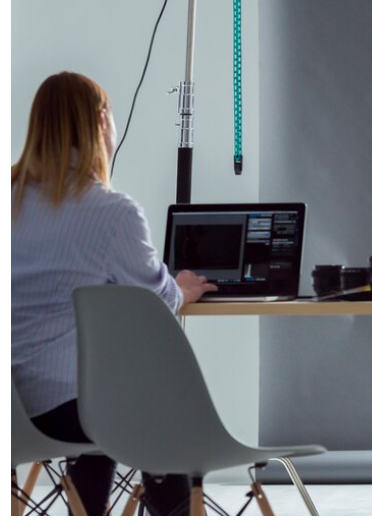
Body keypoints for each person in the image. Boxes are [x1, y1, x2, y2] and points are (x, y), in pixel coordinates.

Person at [11, 72, 218, 515]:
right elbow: (157, 302)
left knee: (106, 405)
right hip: (70, 409)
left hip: (11, 410)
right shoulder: (109, 212)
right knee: (151, 413)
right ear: (102, 121)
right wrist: (180, 289)